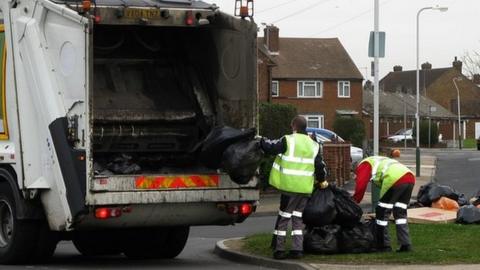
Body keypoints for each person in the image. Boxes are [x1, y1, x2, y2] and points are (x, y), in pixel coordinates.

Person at [260, 115, 327, 260]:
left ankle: (279, 250)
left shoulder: (288, 140)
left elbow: (271, 148)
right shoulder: (313, 144)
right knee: (298, 219)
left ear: (294, 126)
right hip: (305, 189)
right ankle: (297, 250)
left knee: (284, 218)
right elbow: (320, 166)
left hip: (289, 187)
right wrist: (322, 181)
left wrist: (260, 140)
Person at [352, 150, 415, 252]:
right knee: (400, 214)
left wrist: (354, 202)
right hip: (409, 178)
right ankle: (405, 244)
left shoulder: (364, 165)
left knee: (382, 212)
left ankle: (383, 245)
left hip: (394, 179)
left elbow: (361, 186)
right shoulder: (378, 160)